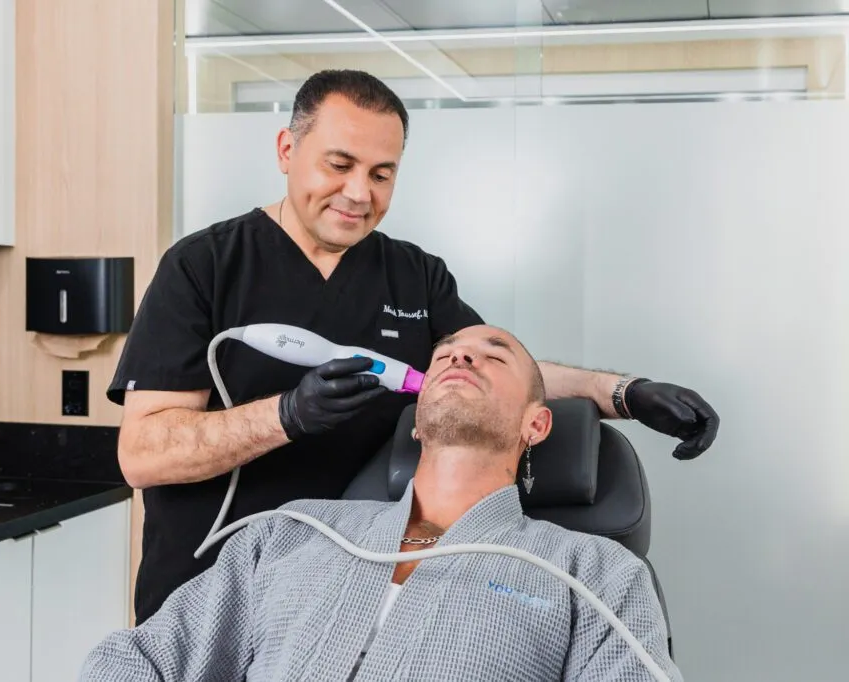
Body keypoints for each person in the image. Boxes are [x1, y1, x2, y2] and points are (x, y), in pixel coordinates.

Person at [107, 68, 720, 625]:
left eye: (381, 173)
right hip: (211, 593)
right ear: (287, 151)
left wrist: (624, 393)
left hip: (349, 590)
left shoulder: (413, 275)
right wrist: (287, 416)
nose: (358, 193)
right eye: (338, 165)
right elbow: (143, 454)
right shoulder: (205, 267)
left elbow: (495, 369)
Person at [84, 324, 681, 682]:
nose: (459, 357)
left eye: (492, 356)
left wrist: (619, 390)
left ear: (538, 424)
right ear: (415, 420)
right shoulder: (293, 533)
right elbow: (141, 661)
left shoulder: (596, 576)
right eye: (444, 355)